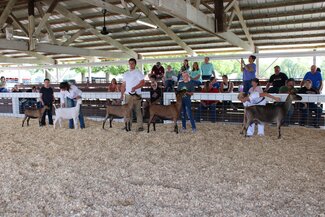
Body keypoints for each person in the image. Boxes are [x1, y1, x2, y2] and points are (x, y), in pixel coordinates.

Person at [120, 58, 145, 132]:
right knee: (127, 111)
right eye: (130, 63)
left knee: (137, 110)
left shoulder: (138, 72)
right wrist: (122, 94)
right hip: (127, 94)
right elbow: (123, 85)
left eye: (132, 63)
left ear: (135, 64)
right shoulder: (126, 73)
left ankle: (140, 126)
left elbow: (143, 82)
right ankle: (127, 125)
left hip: (136, 94)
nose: (131, 65)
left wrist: (135, 87)